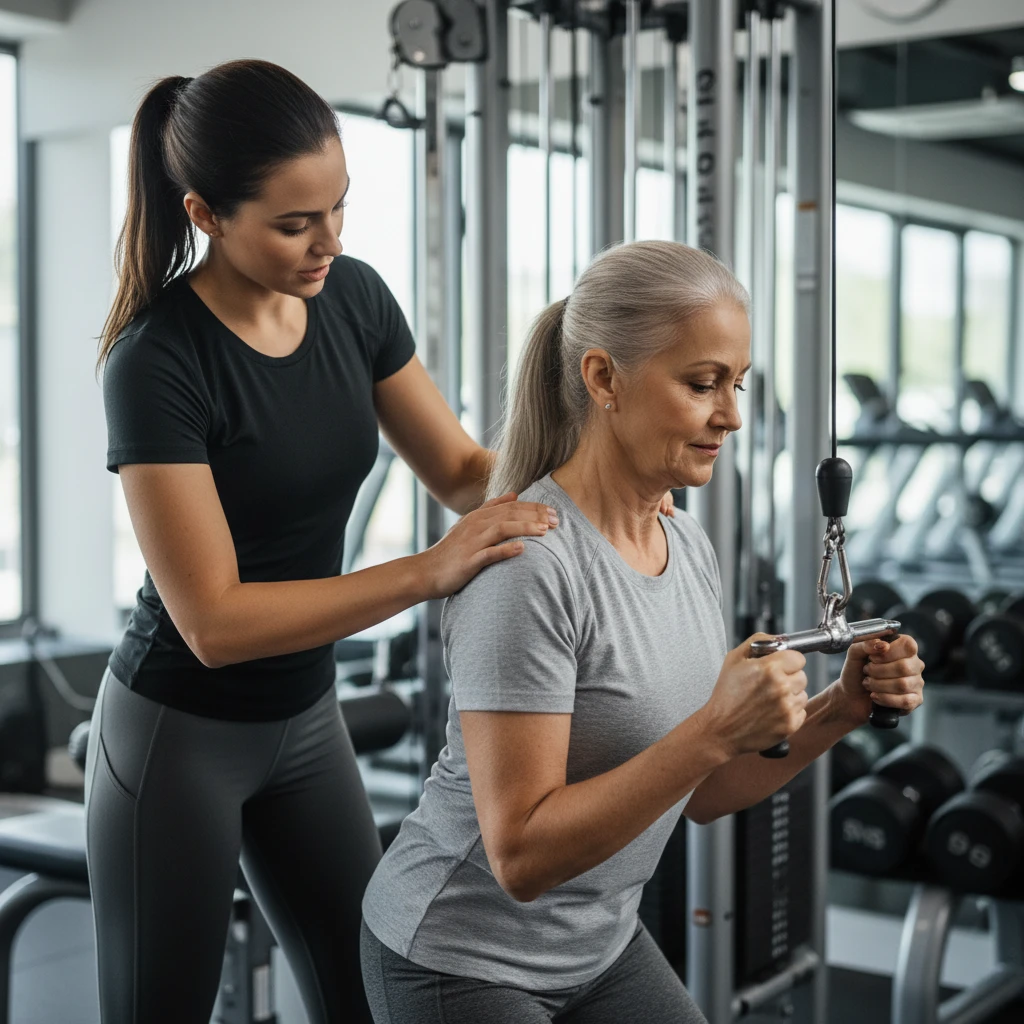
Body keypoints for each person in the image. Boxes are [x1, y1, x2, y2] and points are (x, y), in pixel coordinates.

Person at [87, 59, 559, 1024]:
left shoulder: (354, 300)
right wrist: (431, 570)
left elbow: (467, 472)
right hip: (180, 734)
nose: (328, 242)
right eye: (296, 223)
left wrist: (596, 477)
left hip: (306, 723)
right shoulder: (158, 360)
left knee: (370, 995)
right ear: (207, 215)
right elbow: (214, 621)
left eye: (338, 208)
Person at [360, 240, 925, 1023]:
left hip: (598, 949)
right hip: (460, 956)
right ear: (603, 379)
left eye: (737, 384)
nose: (730, 414)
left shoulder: (684, 543)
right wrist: (713, 729)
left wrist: (840, 708)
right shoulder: (530, 567)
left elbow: (703, 792)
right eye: (702, 384)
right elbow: (520, 857)